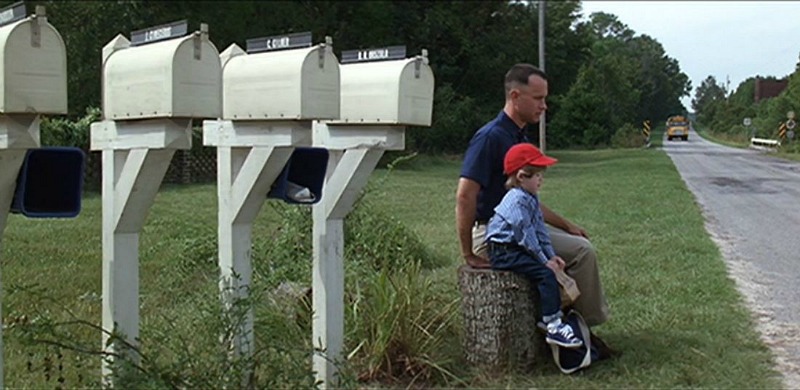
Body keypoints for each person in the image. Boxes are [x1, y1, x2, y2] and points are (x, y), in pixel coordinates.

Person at [455, 63, 609, 327]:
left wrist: (567, 225)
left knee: (581, 248)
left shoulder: (518, 137)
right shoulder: (490, 137)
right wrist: (468, 253)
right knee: (580, 253)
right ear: (515, 96)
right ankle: (577, 331)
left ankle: (578, 328)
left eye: (545, 98)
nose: (544, 106)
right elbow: (465, 197)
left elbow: (527, 203)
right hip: (493, 235)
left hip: (518, 228)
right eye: (538, 98)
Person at [486, 143, 581, 348]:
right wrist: (545, 262)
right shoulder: (516, 201)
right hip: (502, 251)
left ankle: (552, 316)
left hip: (515, 247)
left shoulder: (530, 198)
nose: (541, 179)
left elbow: (540, 231)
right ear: (521, 176)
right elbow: (526, 237)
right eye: (537, 175)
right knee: (545, 275)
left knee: (549, 270)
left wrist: (552, 256)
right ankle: (553, 325)